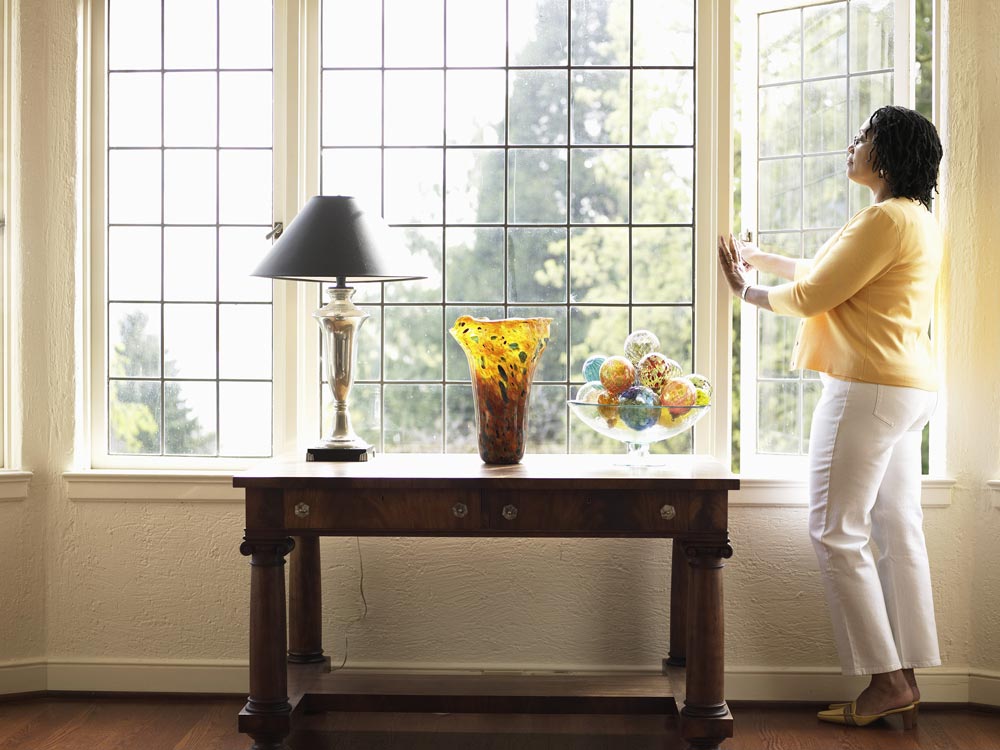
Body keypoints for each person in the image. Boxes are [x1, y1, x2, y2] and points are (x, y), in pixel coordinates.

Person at [717, 105, 944, 729]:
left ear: (888, 153)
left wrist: (745, 292)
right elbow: (832, 275)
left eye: (864, 136)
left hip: (866, 387)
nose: (854, 144)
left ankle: (884, 681)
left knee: (835, 529)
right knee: (898, 529)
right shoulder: (916, 219)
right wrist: (763, 260)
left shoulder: (880, 218)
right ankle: (909, 672)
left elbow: (817, 294)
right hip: (907, 389)